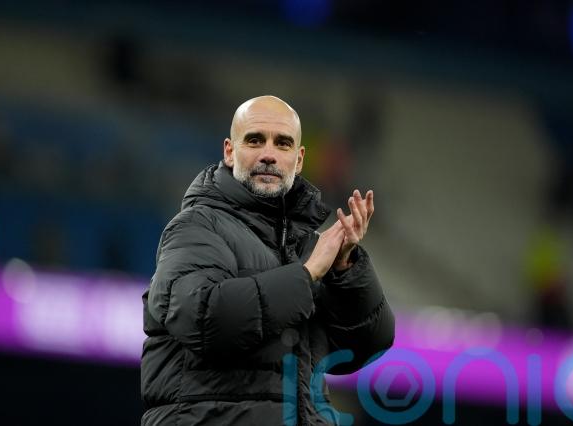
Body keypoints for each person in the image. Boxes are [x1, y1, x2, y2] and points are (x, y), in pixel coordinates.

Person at [141, 96, 395, 425]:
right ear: (229, 151)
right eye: (255, 140)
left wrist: (345, 269)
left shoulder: (306, 247)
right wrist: (306, 275)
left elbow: (366, 347)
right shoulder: (196, 226)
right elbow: (203, 318)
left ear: (299, 160)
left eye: (283, 143)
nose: (268, 154)